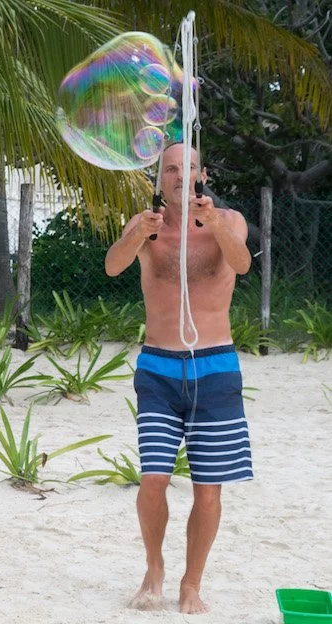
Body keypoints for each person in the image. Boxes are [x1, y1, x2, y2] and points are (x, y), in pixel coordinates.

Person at [105, 143, 253, 614]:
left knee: (209, 488)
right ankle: (154, 569)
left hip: (215, 367)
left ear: (201, 173)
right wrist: (137, 235)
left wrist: (214, 225)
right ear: (159, 179)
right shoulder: (144, 224)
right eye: (169, 169)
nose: (178, 175)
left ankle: (192, 583)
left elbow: (242, 263)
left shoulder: (229, 220)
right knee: (153, 479)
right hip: (159, 368)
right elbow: (112, 266)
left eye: (187, 167)